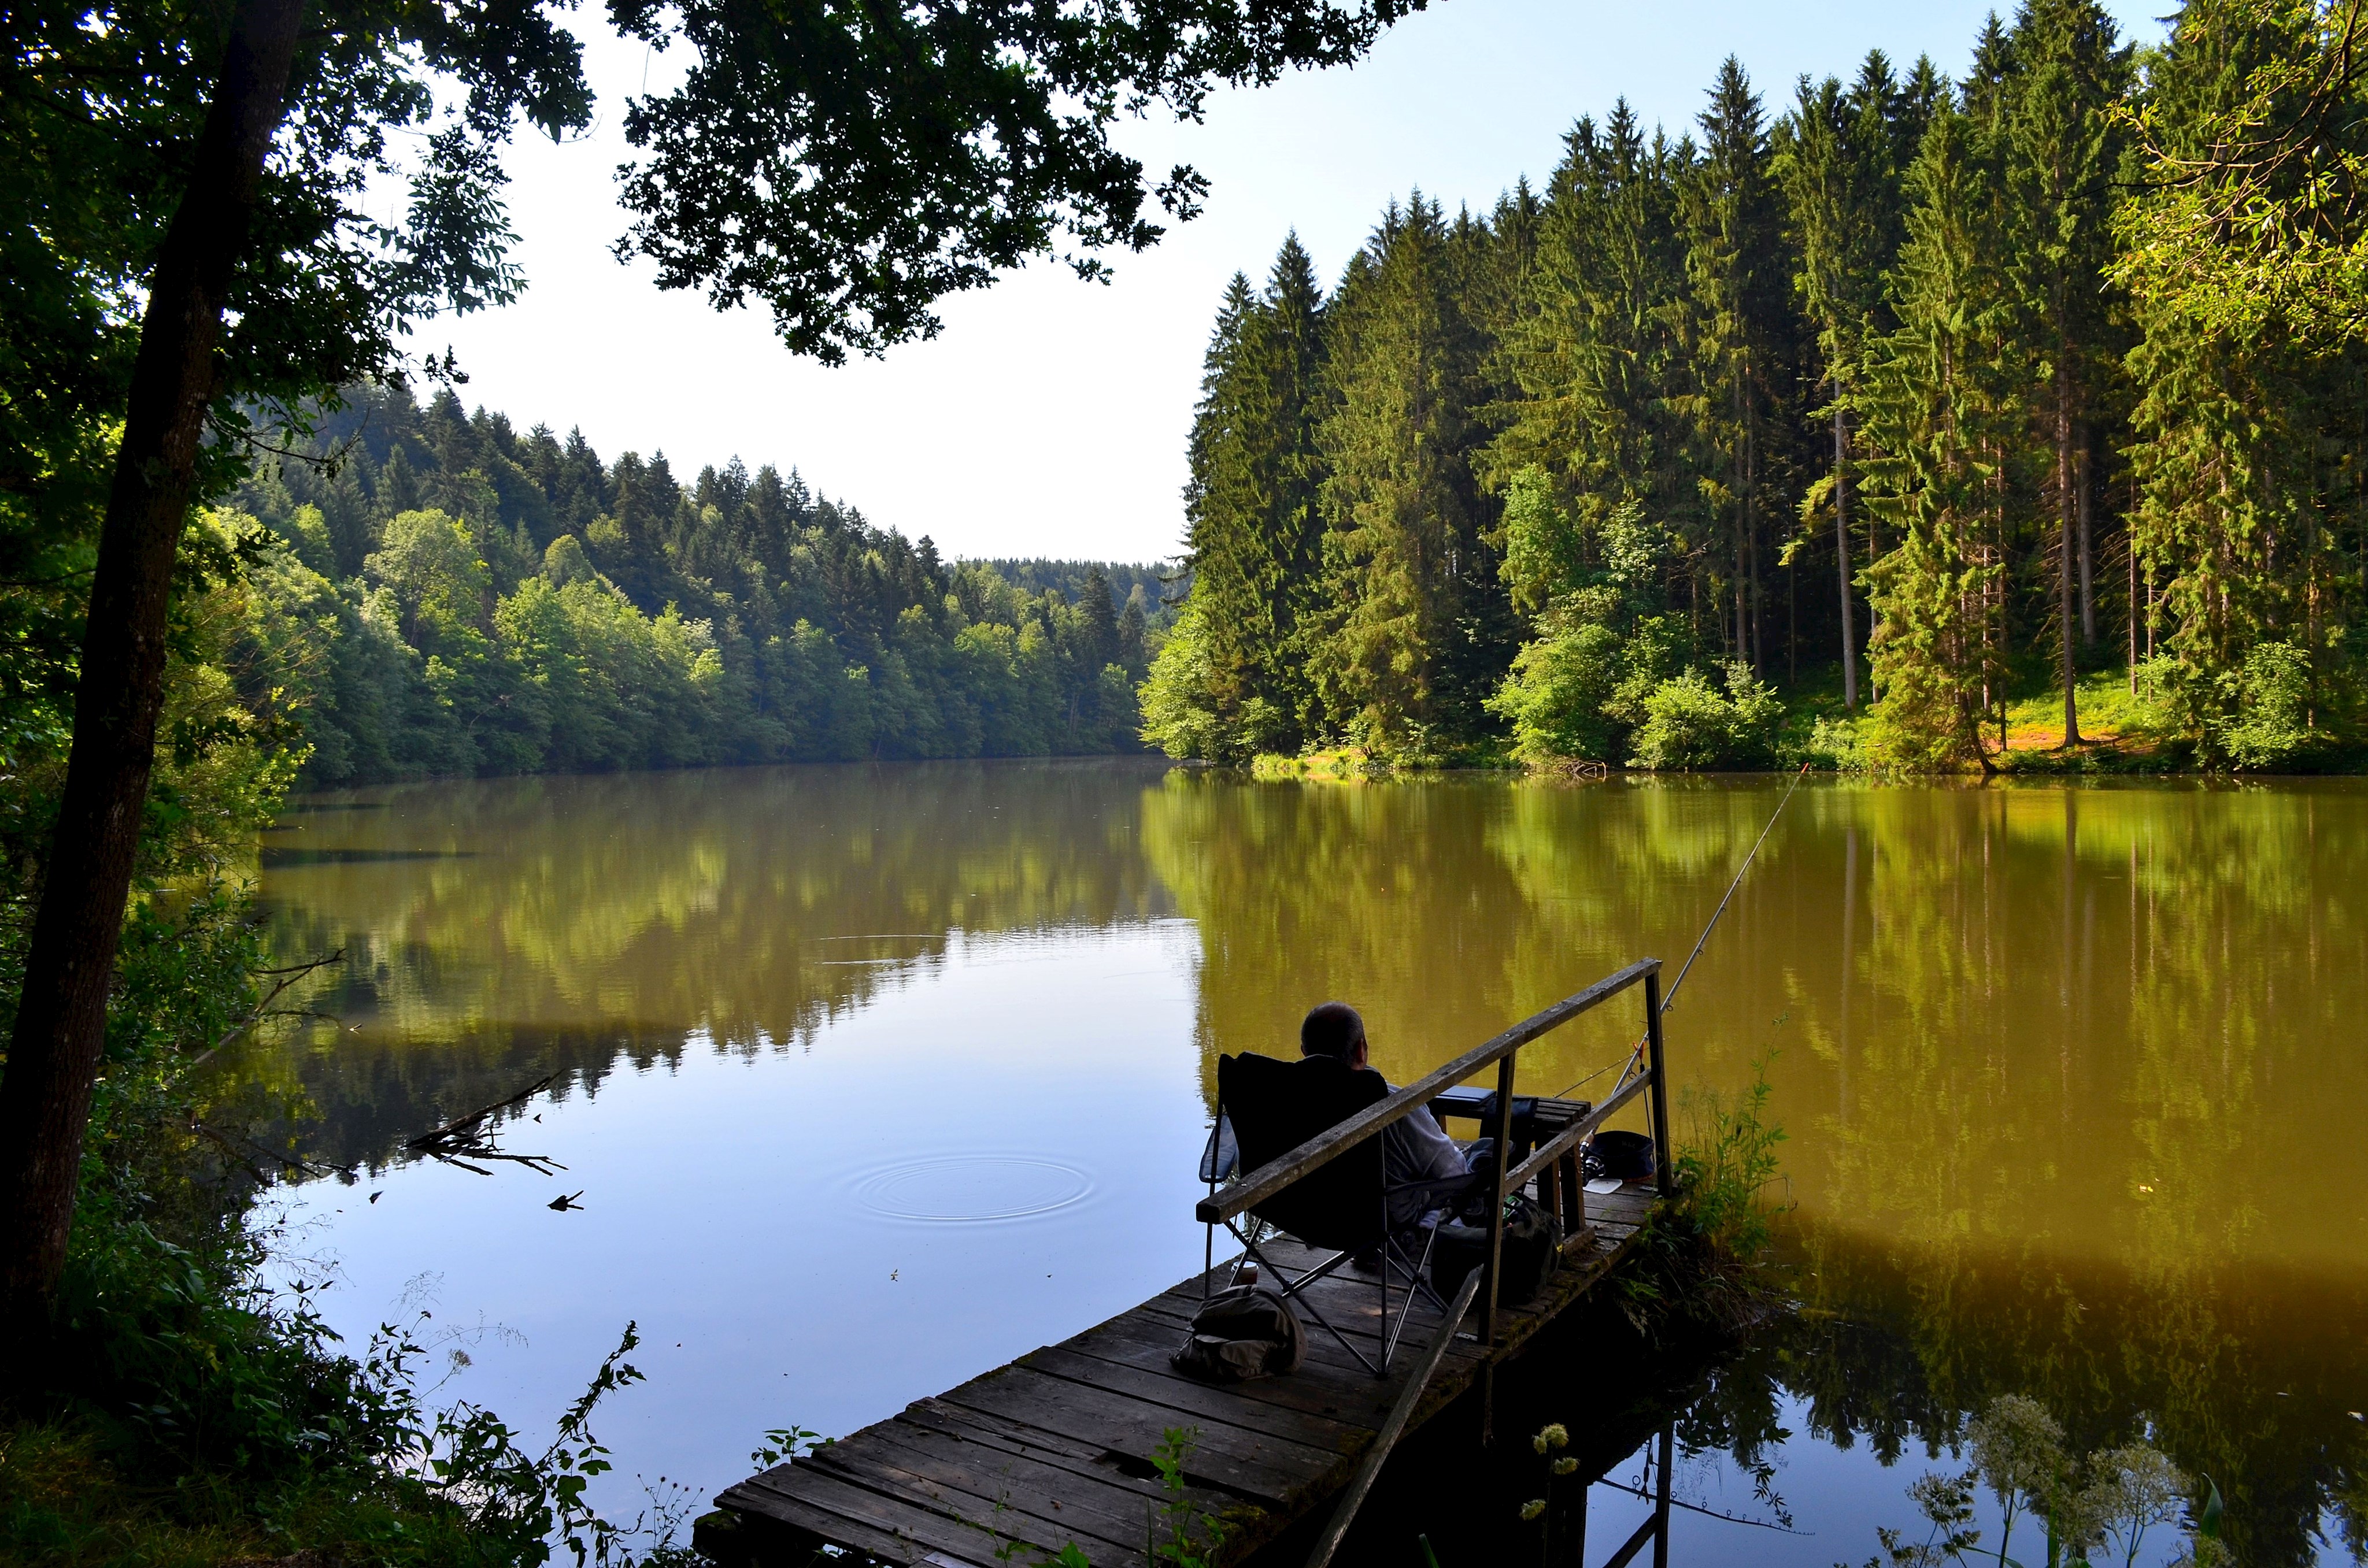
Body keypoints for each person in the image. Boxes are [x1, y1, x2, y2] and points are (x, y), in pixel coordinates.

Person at [1298, 1001, 1484, 1235]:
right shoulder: (1392, 1102)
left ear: (1304, 1053)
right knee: (1483, 1159)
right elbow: (1454, 1173)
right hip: (1384, 1223)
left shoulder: (1285, 1100)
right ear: (1361, 1049)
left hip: (1309, 1218)